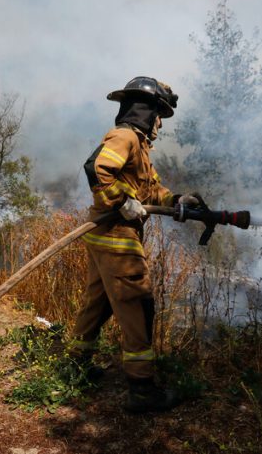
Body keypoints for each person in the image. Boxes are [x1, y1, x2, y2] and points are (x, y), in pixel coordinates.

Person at [69, 76, 202, 413]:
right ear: (147, 110)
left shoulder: (140, 147)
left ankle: (76, 367)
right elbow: (97, 169)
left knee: (98, 305)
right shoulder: (125, 136)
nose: (160, 122)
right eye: (160, 113)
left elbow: (151, 192)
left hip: (104, 238)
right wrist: (121, 203)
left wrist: (178, 200)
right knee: (138, 306)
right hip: (117, 240)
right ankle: (142, 390)